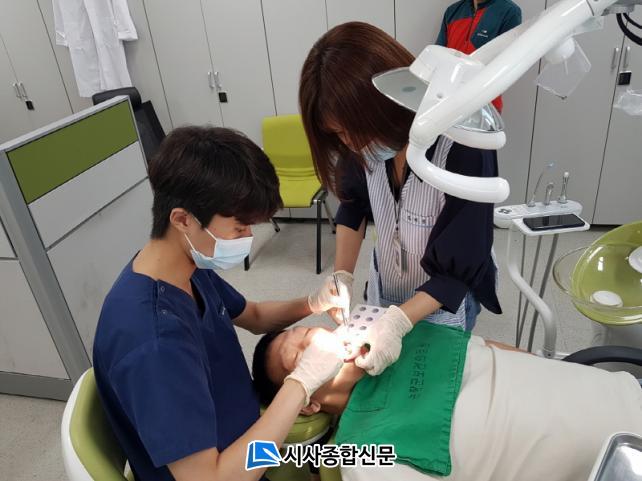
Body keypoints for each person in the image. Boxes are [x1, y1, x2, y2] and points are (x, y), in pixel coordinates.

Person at [92, 126, 350, 481]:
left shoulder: (185, 268)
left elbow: (254, 316)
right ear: (183, 219)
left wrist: (313, 302)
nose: (249, 237)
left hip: (247, 442)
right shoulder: (153, 342)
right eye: (239, 228)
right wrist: (302, 382)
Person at [299, 22, 501, 376]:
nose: (351, 143)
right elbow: (353, 205)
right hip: (388, 284)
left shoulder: (464, 142)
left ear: (384, 106)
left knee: (431, 378)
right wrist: (343, 275)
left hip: (444, 299)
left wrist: (399, 322)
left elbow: (461, 264)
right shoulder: (361, 144)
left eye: (354, 130)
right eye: (339, 134)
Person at [252, 323, 642, 481]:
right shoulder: (364, 455)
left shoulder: (398, 340)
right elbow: (279, 456)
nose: (315, 339)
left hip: (623, 393)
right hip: (615, 464)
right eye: (299, 354)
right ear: (306, 402)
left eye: (308, 331)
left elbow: (499, 349)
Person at [436, 0, 522, 112]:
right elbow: (438, 56)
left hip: (484, 104)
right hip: (445, 99)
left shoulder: (510, 12)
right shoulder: (452, 11)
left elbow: (507, 65)